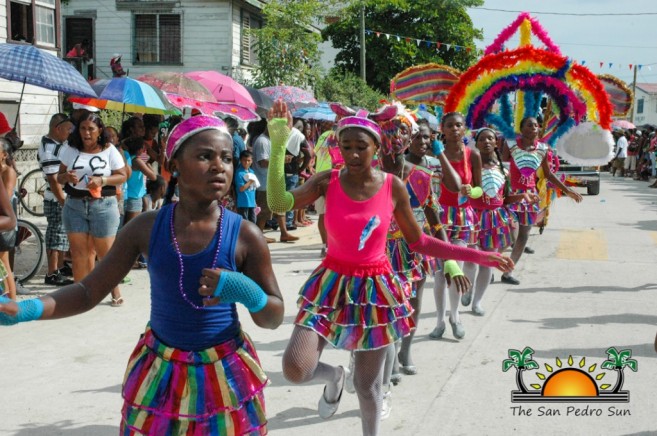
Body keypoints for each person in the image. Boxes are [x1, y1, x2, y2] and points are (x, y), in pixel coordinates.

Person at [0, 115, 284, 434]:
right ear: (173, 163)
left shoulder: (246, 236)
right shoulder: (145, 228)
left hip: (224, 372)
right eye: (205, 156)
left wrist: (245, 290)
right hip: (161, 371)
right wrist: (26, 309)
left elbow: (273, 316)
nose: (220, 166)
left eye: (227, 157)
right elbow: (88, 292)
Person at [266, 100, 512, 435]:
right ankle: (334, 377)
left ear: (376, 148)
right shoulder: (328, 181)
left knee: (367, 388)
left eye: (360, 147)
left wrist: (476, 257)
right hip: (330, 283)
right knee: (296, 368)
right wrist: (279, 143)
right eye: (346, 146)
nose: (352, 154)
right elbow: (279, 203)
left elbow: (420, 241)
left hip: (375, 289)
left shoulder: (393, 186)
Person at [500, 117, 583, 285]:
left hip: (531, 197)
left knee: (523, 236)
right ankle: (486, 265)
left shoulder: (543, 149)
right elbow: (500, 166)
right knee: (505, 235)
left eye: (536, 125)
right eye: (529, 125)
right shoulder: (510, 145)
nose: (534, 127)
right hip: (511, 195)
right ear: (521, 129)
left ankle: (508, 272)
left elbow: (549, 174)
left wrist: (567, 190)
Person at [57, 112, 128, 306]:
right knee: (79, 254)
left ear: (100, 131)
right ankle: (81, 296)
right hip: (74, 205)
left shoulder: (109, 150)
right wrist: (67, 178)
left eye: (91, 129)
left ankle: (115, 291)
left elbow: (122, 175)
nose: (86, 133)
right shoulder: (70, 149)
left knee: (105, 254)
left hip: (103, 206)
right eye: (82, 128)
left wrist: (102, 180)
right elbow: (58, 177)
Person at [461, 128, 533, 315]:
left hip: (495, 219)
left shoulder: (503, 169)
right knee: (470, 261)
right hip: (473, 218)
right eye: (482, 139)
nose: (486, 142)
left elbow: (506, 198)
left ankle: (477, 302)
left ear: (496, 143)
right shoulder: (467, 167)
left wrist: (522, 196)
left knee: (489, 262)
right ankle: (467, 289)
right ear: (475, 144)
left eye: (490, 138)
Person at [430, 112, 483, 341]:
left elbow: (480, 189)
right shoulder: (433, 155)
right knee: (440, 274)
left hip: (462, 217)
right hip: (437, 217)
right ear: (443, 128)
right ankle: (440, 320)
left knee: (456, 269)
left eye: (458, 125)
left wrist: (473, 191)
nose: (454, 129)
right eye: (449, 125)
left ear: (464, 129)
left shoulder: (473, 155)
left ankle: (456, 316)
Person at [38, 114, 76, 286]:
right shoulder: (49, 149)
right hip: (55, 198)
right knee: (56, 233)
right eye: (68, 129)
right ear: (57, 128)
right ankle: (52, 272)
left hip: (61, 196)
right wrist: (63, 201)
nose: (70, 132)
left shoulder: (59, 144)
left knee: (62, 234)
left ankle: (60, 267)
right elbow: (54, 180)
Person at [0, 136, 19, 298]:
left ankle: (12, 300)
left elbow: (7, 195)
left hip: (5, 220)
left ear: (4, 154)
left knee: (4, 264)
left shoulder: (8, 171)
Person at [235, 149, 258, 223]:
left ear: (251, 161)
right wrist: (251, 181)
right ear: (241, 160)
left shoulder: (251, 171)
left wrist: (254, 201)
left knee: (253, 221)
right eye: (244, 160)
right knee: (245, 223)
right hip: (243, 202)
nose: (246, 162)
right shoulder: (239, 173)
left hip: (252, 202)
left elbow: (254, 188)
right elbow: (241, 189)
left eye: (249, 160)